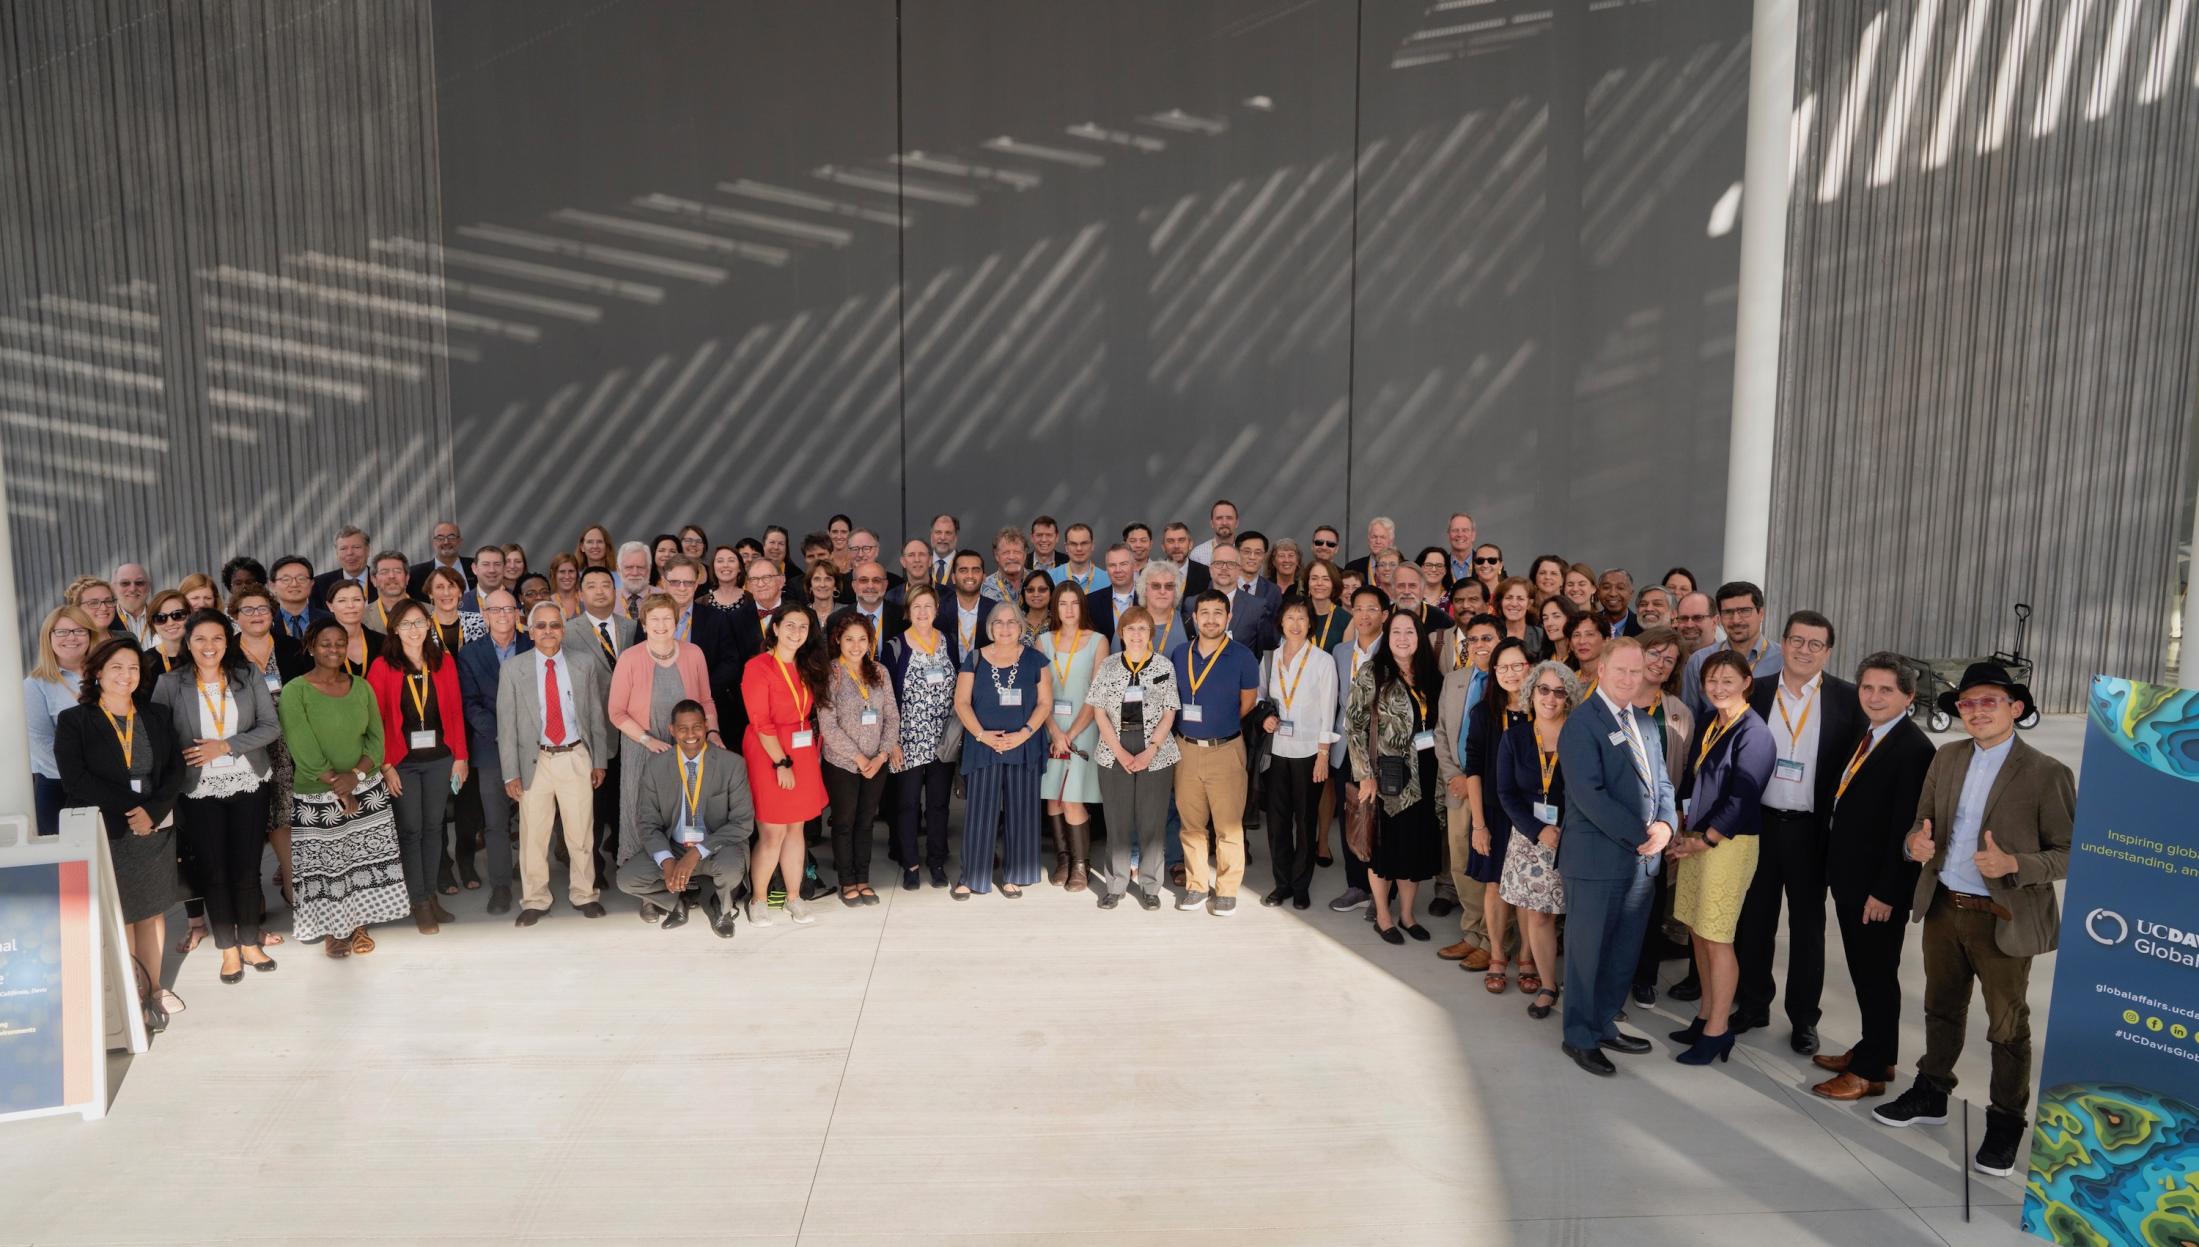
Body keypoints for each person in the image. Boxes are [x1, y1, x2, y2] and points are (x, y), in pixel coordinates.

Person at [1873, 661, 2072, 1180]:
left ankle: (2006, 1122)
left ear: (2016, 708)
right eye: (1967, 703)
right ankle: (1933, 1090)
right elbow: (1922, 822)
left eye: (1989, 701)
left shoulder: (2047, 772)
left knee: (2007, 1027)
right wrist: (1913, 842)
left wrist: (2016, 865)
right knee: (1941, 1008)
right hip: (1944, 906)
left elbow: (2073, 853)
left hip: (2003, 917)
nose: (1977, 711)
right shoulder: (1948, 756)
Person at [1734, 609, 1863, 1055]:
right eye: (1797, 640)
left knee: (1808, 929)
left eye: (1815, 644)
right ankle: (1753, 1004)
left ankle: (1804, 1019)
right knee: (1754, 922)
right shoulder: (1756, 692)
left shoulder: (1848, 700)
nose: (1804, 650)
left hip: (1812, 832)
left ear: (1828, 651)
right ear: (1783, 642)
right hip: (1760, 826)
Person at [1812, 653, 1934, 1102]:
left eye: (1887, 690)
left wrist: (1886, 891)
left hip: (1877, 890)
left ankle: (1868, 1074)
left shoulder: (1914, 749)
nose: (1875, 697)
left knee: (1877, 975)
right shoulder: (1866, 735)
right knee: (1867, 973)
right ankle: (1877, 1052)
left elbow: (1909, 826)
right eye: (1868, 687)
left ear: (1909, 696)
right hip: (1851, 879)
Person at [1552, 638, 1676, 1077]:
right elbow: (1589, 795)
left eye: (1636, 671)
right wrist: (1640, 836)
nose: (1629, 679)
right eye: (1620, 670)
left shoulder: (1643, 722)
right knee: (1587, 954)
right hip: (1596, 862)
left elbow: (1662, 783)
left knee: (1622, 952)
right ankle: (1579, 1038)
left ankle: (1604, 1022)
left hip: (1641, 862)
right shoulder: (1582, 723)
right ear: (1600, 670)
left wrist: (1666, 825)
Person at [56, 639, 186, 1027]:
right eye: (116, 667)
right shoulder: (74, 720)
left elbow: (175, 770)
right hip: (107, 827)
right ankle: (132, 994)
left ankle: (156, 986)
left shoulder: (157, 715)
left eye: (133, 668)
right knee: (122, 914)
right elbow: (75, 779)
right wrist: (133, 811)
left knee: (152, 910)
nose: (126, 675)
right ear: (97, 672)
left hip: (154, 827)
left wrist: (152, 811)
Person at [153, 609, 283, 984]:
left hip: (248, 781)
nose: (209, 646)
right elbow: (162, 740)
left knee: (246, 868)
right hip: (197, 789)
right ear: (187, 643)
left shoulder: (247, 675)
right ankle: (227, 947)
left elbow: (270, 727)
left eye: (217, 638)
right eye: (200, 639)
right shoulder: (169, 683)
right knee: (214, 870)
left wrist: (225, 746)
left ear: (228, 642)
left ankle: (249, 942)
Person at [1662, 650, 1776, 1066]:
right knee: (1696, 929)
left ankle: (1718, 1031)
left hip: (1726, 845)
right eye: (1712, 680)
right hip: (1698, 838)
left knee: (1717, 935)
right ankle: (1706, 1014)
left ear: (1747, 682)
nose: (1718, 687)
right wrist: (1681, 824)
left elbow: (1743, 797)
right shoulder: (1714, 722)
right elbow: (1695, 781)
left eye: (1728, 680)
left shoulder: (1754, 733)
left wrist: (1704, 841)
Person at [278, 619, 410, 960]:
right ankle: (333, 932)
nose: (334, 649)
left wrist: (356, 776)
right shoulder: (296, 690)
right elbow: (302, 748)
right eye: (325, 643)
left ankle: (359, 923)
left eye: (340, 643)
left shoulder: (362, 687)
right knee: (328, 866)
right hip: (317, 794)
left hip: (366, 789)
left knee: (361, 861)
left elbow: (376, 742)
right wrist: (341, 787)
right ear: (310, 646)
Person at [497, 602, 612, 926]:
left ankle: (585, 893)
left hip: (575, 756)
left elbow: (594, 716)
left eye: (555, 625)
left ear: (564, 629)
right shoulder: (513, 669)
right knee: (534, 835)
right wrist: (511, 772)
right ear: (529, 631)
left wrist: (598, 760)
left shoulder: (583, 663)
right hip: (536, 760)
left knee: (580, 833)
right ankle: (535, 899)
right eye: (541, 626)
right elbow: (506, 726)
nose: (549, 631)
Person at [367, 602, 469, 933]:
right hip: (402, 763)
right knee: (411, 831)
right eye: (406, 624)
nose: (414, 630)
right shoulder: (383, 667)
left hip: (440, 759)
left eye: (419, 622)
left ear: (429, 625)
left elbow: (454, 711)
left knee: (434, 828)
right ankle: (420, 902)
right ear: (394, 629)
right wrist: (385, 766)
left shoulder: (443, 662)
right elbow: (376, 721)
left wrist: (461, 757)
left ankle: (430, 896)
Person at [610, 594, 722, 892]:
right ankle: (648, 890)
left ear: (677, 622)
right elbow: (616, 712)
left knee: (686, 813)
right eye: (654, 619)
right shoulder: (630, 658)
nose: (661, 625)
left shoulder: (693, 653)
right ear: (644, 623)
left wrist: (712, 732)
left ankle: (686, 879)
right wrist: (648, 740)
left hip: (689, 748)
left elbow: (706, 700)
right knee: (643, 815)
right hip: (643, 749)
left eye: (667, 618)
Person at [1346, 609, 1443, 944]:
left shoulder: (1430, 675)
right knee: (1384, 848)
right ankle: (1383, 917)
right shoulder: (1373, 672)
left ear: (1420, 637)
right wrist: (1365, 775)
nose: (1403, 638)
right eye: (1397, 632)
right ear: (1388, 636)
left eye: (1410, 632)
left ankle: (1407, 914)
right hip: (1388, 778)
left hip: (1427, 775)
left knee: (1414, 849)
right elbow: (1354, 726)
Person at [616, 699, 750, 938]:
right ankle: (676, 901)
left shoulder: (732, 764)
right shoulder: (656, 767)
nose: (691, 734)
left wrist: (698, 851)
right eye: (683, 728)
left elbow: (743, 823)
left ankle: (722, 909)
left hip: (716, 847)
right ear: (671, 730)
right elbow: (647, 822)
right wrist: (667, 860)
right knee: (627, 878)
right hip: (674, 847)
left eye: (697, 727)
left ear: (706, 725)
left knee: (731, 866)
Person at [952, 602, 1051, 899]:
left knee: (1022, 811)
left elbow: (1045, 703)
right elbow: (962, 703)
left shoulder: (1037, 660)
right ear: (990, 627)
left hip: (1024, 745)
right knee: (980, 814)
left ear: (1021, 627)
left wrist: (1024, 734)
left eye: (1011, 622)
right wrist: (983, 736)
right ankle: (972, 876)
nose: (1005, 628)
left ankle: (1015, 874)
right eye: (999, 622)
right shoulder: (975, 658)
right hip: (984, 747)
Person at [1088, 605, 1181, 911]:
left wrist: (1151, 750)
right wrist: (1118, 751)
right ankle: (1115, 885)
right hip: (1115, 750)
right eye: (1131, 629)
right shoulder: (1109, 666)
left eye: (1143, 629)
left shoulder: (1164, 666)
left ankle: (1151, 886)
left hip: (1155, 752)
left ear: (1151, 633)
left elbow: (1170, 711)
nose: (1137, 635)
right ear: (1122, 634)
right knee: (1117, 821)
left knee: (1152, 822)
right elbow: (1098, 711)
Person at [740, 604, 829, 925]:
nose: (796, 633)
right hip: (770, 752)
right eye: (789, 625)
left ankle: (794, 898)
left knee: (796, 828)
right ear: (775, 628)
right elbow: (761, 723)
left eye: (803, 627)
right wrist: (781, 762)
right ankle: (759, 900)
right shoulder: (758, 666)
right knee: (773, 831)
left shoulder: (808, 665)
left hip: (802, 750)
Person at [1173, 590, 1260, 916]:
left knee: (1228, 826)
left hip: (1225, 750)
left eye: (1217, 613)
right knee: (1191, 824)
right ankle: (1196, 885)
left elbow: (1247, 702)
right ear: (1194, 618)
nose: (1210, 619)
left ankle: (1226, 890)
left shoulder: (1241, 656)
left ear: (1228, 616)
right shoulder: (1180, 654)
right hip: (1187, 749)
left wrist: (1218, 723)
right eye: (1204, 613)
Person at [1457, 635, 1533, 987]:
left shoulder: (1544, 710)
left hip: (1534, 816)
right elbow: (1473, 770)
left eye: (1517, 665)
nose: (1510, 673)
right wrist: (1479, 825)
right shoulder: (1484, 713)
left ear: (1529, 667)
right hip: (1493, 812)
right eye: (1503, 667)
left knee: (1529, 892)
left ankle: (1528, 959)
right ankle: (1498, 955)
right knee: (1495, 885)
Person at [455, 589, 528, 914]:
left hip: (534, 747)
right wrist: (505, 733)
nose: (501, 614)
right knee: (496, 823)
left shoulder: (533, 645)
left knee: (534, 819)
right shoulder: (469, 654)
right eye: (494, 609)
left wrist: (524, 734)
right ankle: (501, 887)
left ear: (517, 613)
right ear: (483, 615)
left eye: (508, 609)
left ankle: (531, 879)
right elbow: (470, 704)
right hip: (490, 749)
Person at [1260, 600, 1336, 908]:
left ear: (1309, 624)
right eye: (1290, 617)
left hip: (1308, 753)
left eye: (1301, 618)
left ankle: (1301, 885)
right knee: (1277, 822)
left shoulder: (1322, 661)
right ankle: (1283, 883)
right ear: (1281, 622)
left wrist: (1323, 754)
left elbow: (1329, 709)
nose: (1295, 623)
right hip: (1277, 751)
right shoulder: (1270, 657)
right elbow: (1261, 699)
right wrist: (1264, 717)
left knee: (1305, 821)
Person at [819, 613, 898, 906]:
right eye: (849, 639)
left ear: (870, 641)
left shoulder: (880, 672)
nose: (855, 645)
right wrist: (858, 758)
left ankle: (864, 880)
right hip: (842, 763)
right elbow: (828, 725)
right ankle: (847, 881)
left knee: (866, 822)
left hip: (876, 762)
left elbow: (892, 716)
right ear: (838, 639)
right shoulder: (830, 673)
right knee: (844, 822)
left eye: (862, 639)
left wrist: (881, 755)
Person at [884, 585, 960, 890]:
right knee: (907, 804)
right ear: (907, 611)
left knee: (939, 805)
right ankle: (911, 863)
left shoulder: (949, 642)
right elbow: (886, 698)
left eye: (928, 606)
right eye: (916, 607)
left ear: (937, 609)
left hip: (944, 739)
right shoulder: (895, 647)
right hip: (908, 739)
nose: (923, 612)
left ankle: (937, 862)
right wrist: (892, 741)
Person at [1037, 582, 1105, 889]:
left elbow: (1096, 695)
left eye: (1073, 603)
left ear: (1082, 607)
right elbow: (1040, 695)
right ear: (1054, 608)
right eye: (1062, 603)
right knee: (1053, 796)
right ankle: (1063, 858)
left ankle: (1081, 864)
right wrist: (1054, 731)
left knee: (1074, 798)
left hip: (1084, 731)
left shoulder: (1098, 641)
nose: (1068, 610)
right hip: (1050, 729)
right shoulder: (1043, 642)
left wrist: (1070, 734)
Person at [1325, 585, 1388, 912]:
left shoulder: (1392, 650)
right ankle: (1356, 886)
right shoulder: (1340, 651)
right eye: (1359, 608)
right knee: (1350, 815)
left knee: (1380, 818)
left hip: (1380, 748)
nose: (1364, 615)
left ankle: (1382, 890)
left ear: (1384, 615)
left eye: (1372, 609)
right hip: (1345, 746)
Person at [25, 606, 97, 837]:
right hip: (60, 788)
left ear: (90, 635)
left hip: (111, 785)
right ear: (48, 637)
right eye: (62, 632)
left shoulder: (109, 674)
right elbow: (42, 745)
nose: (72, 638)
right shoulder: (35, 685)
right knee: (70, 868)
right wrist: (87, 774)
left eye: (79, 630)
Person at [1681, 580, 1783, 719]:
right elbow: (1689, 718)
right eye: (1728, 612)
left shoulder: (1782, 659)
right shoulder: (1699, 660)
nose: (1736, 620)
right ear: (1719, 618)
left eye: (1744, 611)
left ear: (1761, 614)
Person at [136, 589, 192, 699]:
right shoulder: (144, 662)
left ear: (190, 616)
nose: (170, 623)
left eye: (178, 615)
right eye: (160, 618)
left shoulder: (201, 655)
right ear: (152, 623)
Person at [422, 566, 485, 657]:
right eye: (440, 587)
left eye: (451, 586)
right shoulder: (423, 627)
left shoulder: (479, 622)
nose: (446, 593)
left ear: (460, 592)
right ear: (430, 593)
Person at [1085, 543, 1142, 641]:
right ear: (1106, 569)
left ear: (1134, 566)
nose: (1118, 570)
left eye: (1123, 564)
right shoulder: (1090, 602)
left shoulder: (1148, 599)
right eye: (1112, 565)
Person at [266, 556, 327, 642]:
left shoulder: (328, 619)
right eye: (286, 579)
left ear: (311, 584)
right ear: (272, 586)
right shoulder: (265, 623)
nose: (294, 584)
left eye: (301, 579)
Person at [309, 525, 372, 607]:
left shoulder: (383, 580)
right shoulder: (319, 585)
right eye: (343, 549)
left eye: (356, 547)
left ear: (367, 550)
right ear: (337, 553)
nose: (349, 553)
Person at [366, 551, 414, 634]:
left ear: (407, 578)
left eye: (397, 571)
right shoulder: (361, 617)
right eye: (384, 572)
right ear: (374, 580)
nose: (391, 576)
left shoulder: (431, 613)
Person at [1303, 559, 1345, 654]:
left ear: (1333, 584)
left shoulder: (1346, 620)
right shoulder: (1296, 614)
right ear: (1308, 583)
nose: (1319, 583)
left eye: (1326, 579)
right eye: (1314, 578)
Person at [1159, 522, 1212, 596]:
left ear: (1190, 544)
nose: (1176, 546)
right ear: (1163, 547)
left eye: (1181, 540)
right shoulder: (1151, 573)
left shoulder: (1206, 573)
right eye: (1170, 541)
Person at [1494, 577, 1541, 659]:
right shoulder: (1491, 634)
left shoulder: (1540, 636)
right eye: (1509, 598)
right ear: (1501, 602)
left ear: (1529, 604)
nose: (1514, 603)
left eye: (1520, 599)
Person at [981, 527, 1031, 604]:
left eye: (1017, 552)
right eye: (1006, 552)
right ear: (996, 555)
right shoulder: (984, 587)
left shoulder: (1037, 581)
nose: (1012, 557)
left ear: (1025, 554)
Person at [1048, 522, 1102, 593]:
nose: (1079, 548)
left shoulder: (1108, 579)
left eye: (1084, 543)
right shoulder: (1050, 577)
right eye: (1073, 544)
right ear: (1066, 547)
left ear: (1092, 546)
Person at [111, 563, 153, 644]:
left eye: (139, 583)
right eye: (125, 583)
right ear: (113, 588)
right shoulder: (106, 623)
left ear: (148, 586)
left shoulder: (162, 618)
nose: (132, 589)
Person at [1188, 498, 1238, 566]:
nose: (1224, 523)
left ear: (1237, 523)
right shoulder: (1197, 555)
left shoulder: (1246, 554)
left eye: (1229, 518)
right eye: (1219, 518)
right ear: (1211, 523)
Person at [1565, 614, 1606, 691]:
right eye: (1576, 635)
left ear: (1606, 641)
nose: (1582, 641)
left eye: (1589, 634)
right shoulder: (1567, 682)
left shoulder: (1614, 679)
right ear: (1570, 644)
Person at [615, 542, 655, 619]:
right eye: (629, 567)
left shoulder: (664, 597)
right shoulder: (608, 600)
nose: (635, 573)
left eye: (640, 567)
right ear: (618, 569)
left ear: (648, 569)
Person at [1672, 591, 1717, 660]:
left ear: (1714, 622)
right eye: (1684, 618)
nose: (1689, 625)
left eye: (1698, 618)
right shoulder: (1667, 660)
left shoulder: (1729, 663)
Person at [1594, 568, 1635, 636]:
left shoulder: (1641, 626)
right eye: (1606, 587)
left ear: (1631, 594)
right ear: (1598, 592)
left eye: (1620, 588)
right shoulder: (1589, 623)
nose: (1613, 594)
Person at [1017, 569, 1053, 646]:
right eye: (1030, 590)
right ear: (1024, 594)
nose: (1036, 594)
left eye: (1042, 590)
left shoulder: (1059, 622)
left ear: (1051, 593)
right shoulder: (1015, 621)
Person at [709, 546, 749, 610]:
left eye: (731, 560)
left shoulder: (753, 600)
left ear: (739, 568)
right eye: (720, 561)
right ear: (713, 568)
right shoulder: (701, 603)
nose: (725, 565)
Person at [926, 513, 960, 585]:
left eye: (948, 533)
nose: (942, 537)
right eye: (938, 532)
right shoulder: (922, 563)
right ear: (931, 535)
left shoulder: (965, 565)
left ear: (956, 537)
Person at [548, 552, 584, 619]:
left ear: (577, 573)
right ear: (553, 573)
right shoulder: (547, 603)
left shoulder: (586, 599)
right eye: (562, 572)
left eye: (571, 571)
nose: (567, 576)